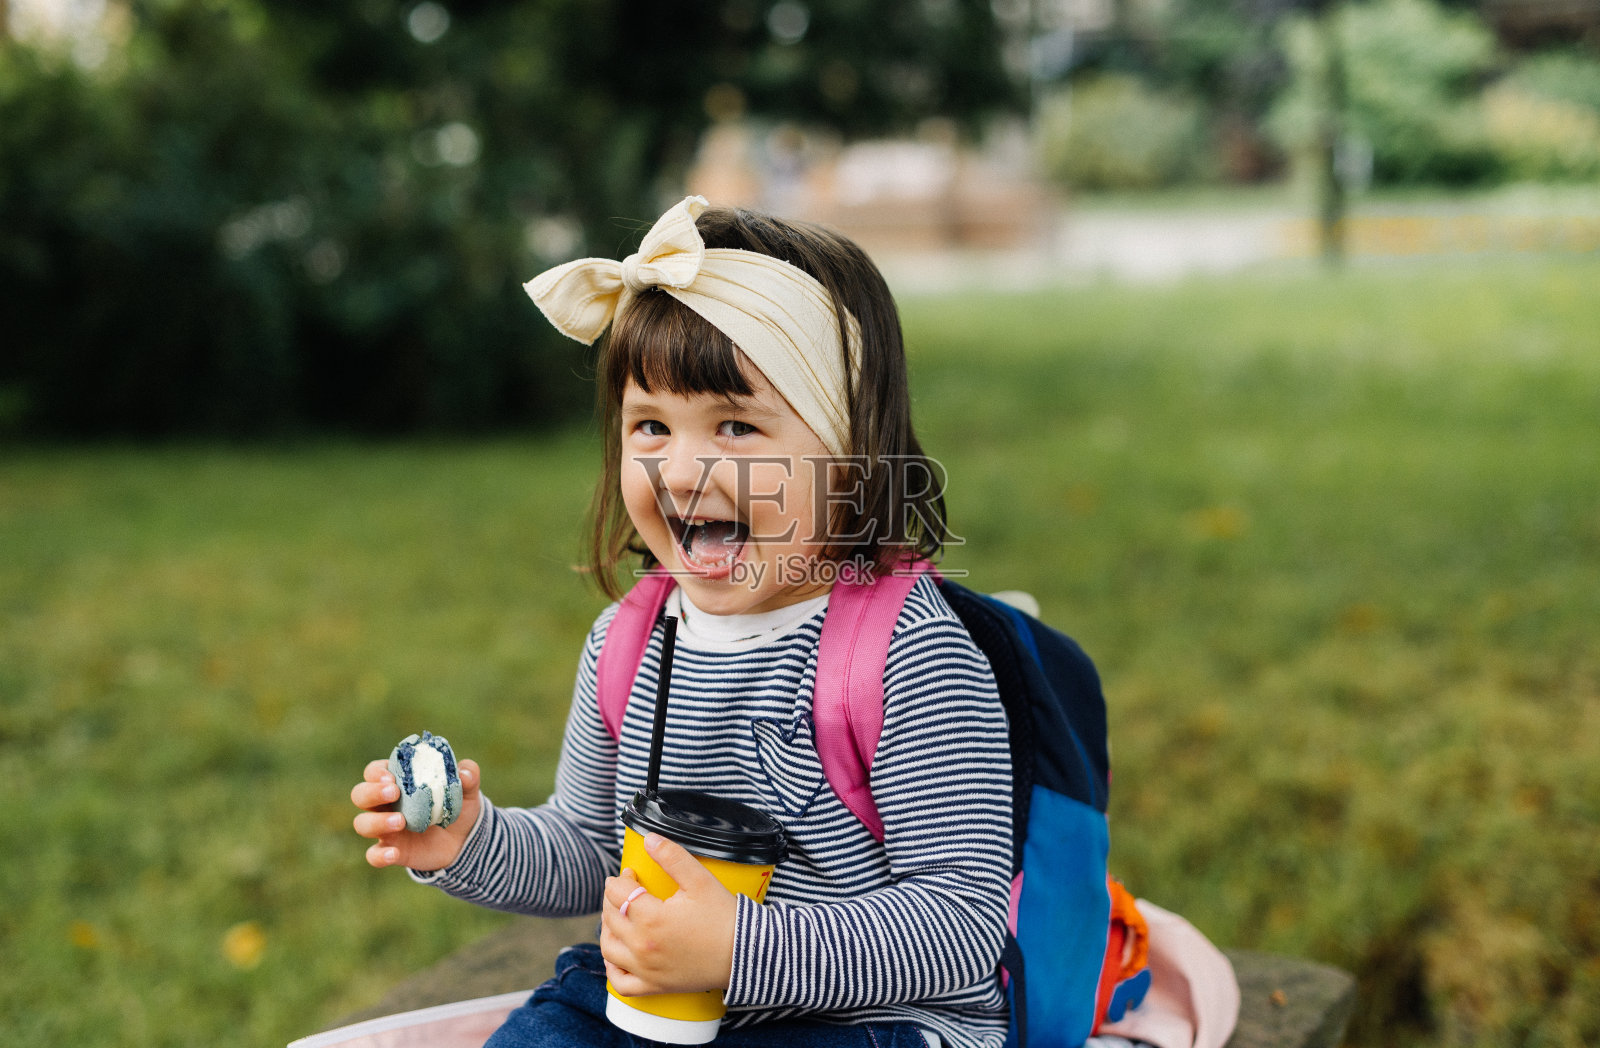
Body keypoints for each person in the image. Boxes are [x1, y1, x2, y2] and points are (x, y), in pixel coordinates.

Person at [350, 196, 1013, 1048]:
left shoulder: (905, 652)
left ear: (850, 460)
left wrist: (738, 949)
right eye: (651, 426)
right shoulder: (631, 642)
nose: (685, 468)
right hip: (656, 996)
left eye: (737, 426)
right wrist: (466, 840)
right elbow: (590, 851)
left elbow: (959, 924)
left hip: (866, 1022)